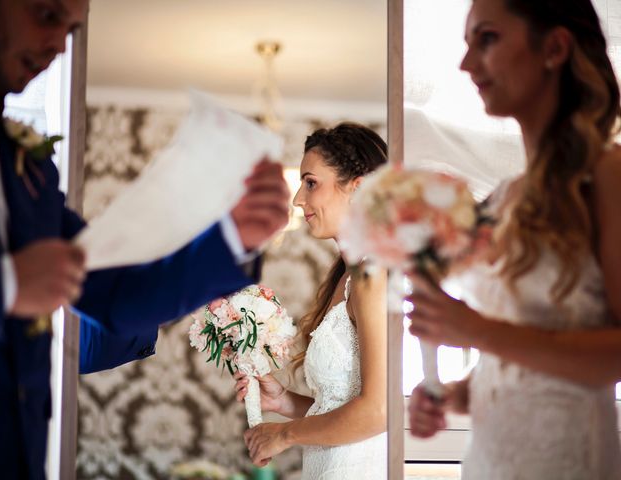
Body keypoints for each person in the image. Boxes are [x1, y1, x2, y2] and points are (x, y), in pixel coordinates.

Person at [0, 0, 290, 478]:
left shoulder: (29, 167)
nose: (58, 45)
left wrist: (235, 235)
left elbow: (117, 297)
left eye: (71, 29)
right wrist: (4, 285)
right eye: (46, 16)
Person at [407, 0, 621, 478]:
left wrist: (473, 330)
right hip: (489, 460)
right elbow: (514, 354)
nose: (466, 65)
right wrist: (454, 395)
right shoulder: (504, 198)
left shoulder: (609, 175)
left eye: (487, 39)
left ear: (555, 47)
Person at [234, 123, 388, 479]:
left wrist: (283, 435)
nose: (297, 200)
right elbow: (341, 408)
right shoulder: (347, 278)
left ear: (358, 187)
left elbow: (379, 411)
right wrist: (283, 401)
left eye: (311, 183)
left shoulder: (373, 276)